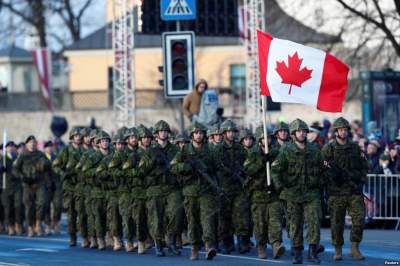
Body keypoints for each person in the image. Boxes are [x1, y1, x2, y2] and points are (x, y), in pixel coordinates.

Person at [272, 119, 326, 264]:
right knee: (295, 224)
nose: (302, 134)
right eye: (299, 131)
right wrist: (281, 186)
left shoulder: (314, 149)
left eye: (304, 131)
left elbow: (323, 169)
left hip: (311, 193)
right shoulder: (286, 150)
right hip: (292, 193)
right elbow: (276, 170)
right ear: (294, 134)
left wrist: (321, 181)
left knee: (314, 222)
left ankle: (313, 252)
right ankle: (297, 253)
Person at [170, 122, 219, 260]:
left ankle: (209, 246)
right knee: (192, 220)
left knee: (207, 219)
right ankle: (194, 248)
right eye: (196, 133)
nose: (198, 135)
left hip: (206, 191)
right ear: (192, 135)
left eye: (201, 133)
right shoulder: (184, 150)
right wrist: (186, 167)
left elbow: (217, 169)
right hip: (190, 191)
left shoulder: (210, 150)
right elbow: (172, 167)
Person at [322, 117, 368, 261]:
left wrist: (361, 181)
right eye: (340, 129)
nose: (343, 132)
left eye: (345, 129)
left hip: (353, 190)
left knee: (359, 218)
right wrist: (332, 179)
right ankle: (338, 250)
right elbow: (322, 169)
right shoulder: (328, 148)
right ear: (336, 132)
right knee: (337, 222)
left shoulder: (354, 147)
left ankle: (355, 247)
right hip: (336, 192)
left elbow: (363, 166)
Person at [243, 125, 285, 259]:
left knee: (275, 221)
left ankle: (276, 245)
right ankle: (261, 246)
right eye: (264, 138)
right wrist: (262, 161)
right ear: (259, 139)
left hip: (273, 194)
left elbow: (282, 168)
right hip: (258, 194)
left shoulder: (277, 151)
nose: (267, 141)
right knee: (260, 224)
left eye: (269, 138)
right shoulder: (253, 153)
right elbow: (248, 170)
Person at [214, 119, 251, 254]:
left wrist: (242, 172)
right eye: (228, 131)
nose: (231, 134)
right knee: (224, 216)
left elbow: (247, 165)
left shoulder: (240, 149)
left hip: (239, 187)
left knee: (241, 215)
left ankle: (243, 242)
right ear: (224, 133)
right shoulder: (218, 149)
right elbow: (217, 166)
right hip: (224, 187)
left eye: (233, 131)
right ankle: (227, 242)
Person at [153, 120, 184, 255]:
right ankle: (158, 243)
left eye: (165, 131)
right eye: (161, 131)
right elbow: (144, 170)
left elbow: (182, 164)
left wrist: (174, 168)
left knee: (176, 213)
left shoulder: (174, 149)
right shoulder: (151, 150)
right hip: (156, 187)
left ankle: (171, 241)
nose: (164, 133)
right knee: (157, 217)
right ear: (157, 134)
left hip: (172, 187)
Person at [13, 135, 50, 237]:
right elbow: (15, 169)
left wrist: (44, 164)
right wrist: (21, 177)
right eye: (30, 142)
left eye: (34, 142)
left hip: (39, 183)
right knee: (29, 207)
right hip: (27, 184)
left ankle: (38, 225)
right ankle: (30, 227)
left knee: (41, 204)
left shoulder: (40, 154)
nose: (32, 144)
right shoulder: (23, 155)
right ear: (26, 144)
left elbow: (48, 165)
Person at [53, 127, 84, 246]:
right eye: (76, 136)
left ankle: (85, 236)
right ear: (72, 138)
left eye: (79, 136)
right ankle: (72, 236)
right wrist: (63, 174)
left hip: (81, 185)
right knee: (71, 213)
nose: (78, 138)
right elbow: (56, 165)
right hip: (69, 185)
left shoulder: (84, 150)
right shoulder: (66, 150)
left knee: (82, 211)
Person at [1, 141, 22, 236]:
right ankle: (10, 226)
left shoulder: (18, 158)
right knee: (8, 208)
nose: (10, 148)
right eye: (8, 146)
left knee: (17, 206)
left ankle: (18, 224)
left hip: (17, 186)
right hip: (6, 186)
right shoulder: (2, 159)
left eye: (12, 146)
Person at [43, 141, 62, 235]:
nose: (50, 148)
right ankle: (47, 225)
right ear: (45, 149)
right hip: (45, 186)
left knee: (58, 205)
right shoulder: (41, 157)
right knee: (46, 206)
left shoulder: (57, 157)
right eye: (48, 147)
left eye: (51, 147)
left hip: (57, 185)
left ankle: (56, 222)